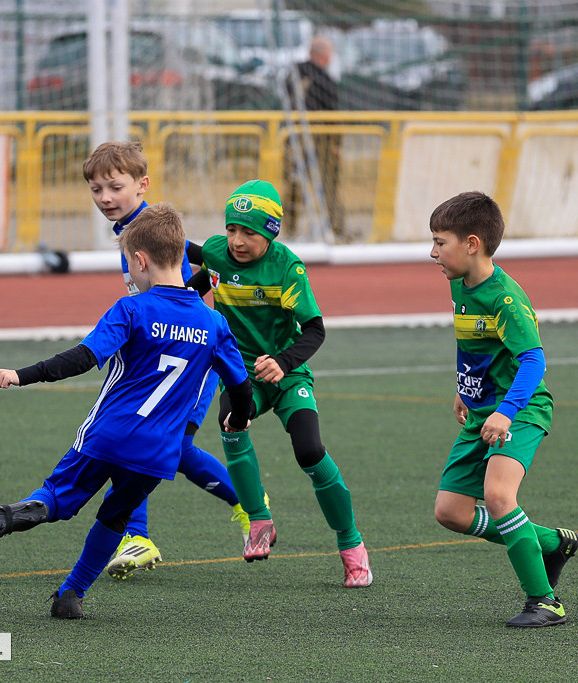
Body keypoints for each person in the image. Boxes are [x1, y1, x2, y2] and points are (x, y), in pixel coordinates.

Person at [0, 203, 254, 618]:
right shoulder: (214, 324)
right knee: (116, 515)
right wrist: (239, 418)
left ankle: (40, 507)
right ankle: (72, 594)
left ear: (140, 260)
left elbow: (82, 358)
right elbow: (240, 387)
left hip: (110, 434)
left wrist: (21, 375)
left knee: (60, 493)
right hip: (159, 451)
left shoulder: (132, 309)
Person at [82, 141, 264, 579]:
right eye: (96, 189)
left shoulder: (151, 229)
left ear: (141, 185)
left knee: (159, 443)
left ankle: (247, 504)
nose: (105, 197)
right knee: (138, 438)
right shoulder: (131, 229)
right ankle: (139, 536)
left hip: (188, 359)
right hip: (157, 357)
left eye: (115, 187)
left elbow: (209, 263)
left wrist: (197, 296)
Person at [186, 179, 372, 588]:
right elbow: (194, 274)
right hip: (240, 373)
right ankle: (258, 520)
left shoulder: (288, 268)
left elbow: (315, 329)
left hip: (287, 374)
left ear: (270, 232)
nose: (237, 240)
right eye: (231, 229)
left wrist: (283, 362)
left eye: (249, 232)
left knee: (310, 451)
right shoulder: (217, 254)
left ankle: (351, 542)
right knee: (232, 423)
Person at [428, 191, 578, 628]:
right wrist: (465, 387)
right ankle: (550, 542)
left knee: (497, 496)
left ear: (471, 244)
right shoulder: (458, 283)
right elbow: (471, 342)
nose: (432, 252)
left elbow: (533, 361)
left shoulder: (505, 299)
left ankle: (545, 601)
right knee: (451, 511)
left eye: (440, 242)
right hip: (482, 409)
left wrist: (506, 411)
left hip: (521, 408)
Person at [284, 35, 345, 242]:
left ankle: (290, 228)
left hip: (293, 136)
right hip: (321, 139)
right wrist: (337, 144)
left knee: (294, 183)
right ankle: (337, 229)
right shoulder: (325, 80)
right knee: (328, 185)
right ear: (326, 56)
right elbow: (333, 113)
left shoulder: (293, 74)